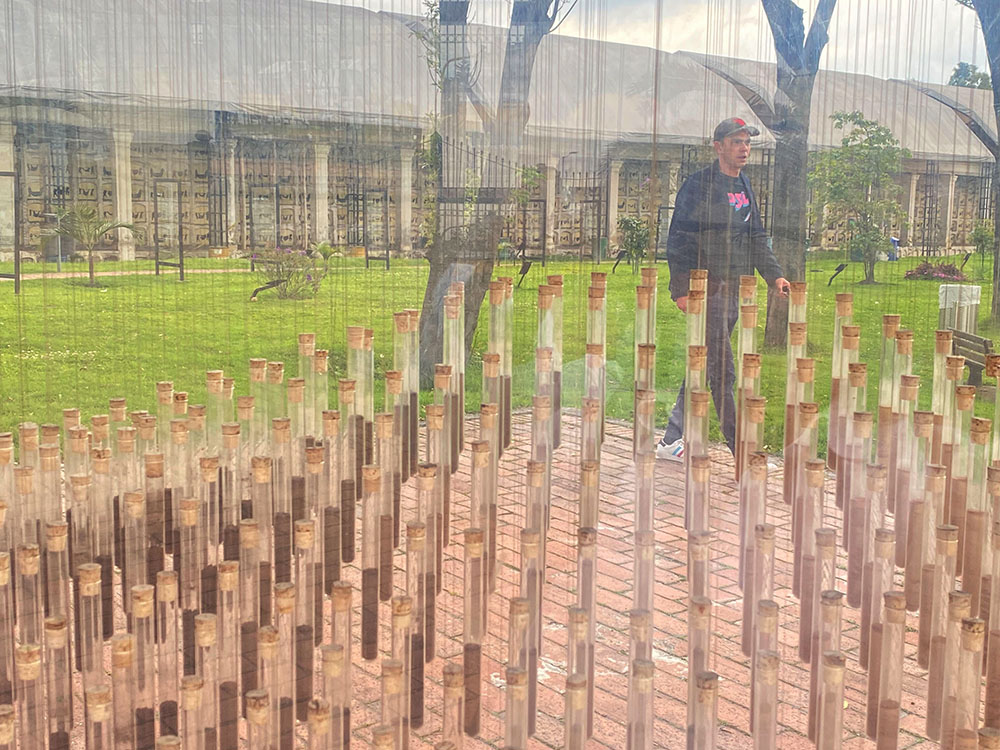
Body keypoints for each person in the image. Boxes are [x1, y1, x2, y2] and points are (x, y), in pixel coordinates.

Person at [657, 117, 790, 461]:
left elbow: (756, 236)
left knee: (704, 362)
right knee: (723, 371)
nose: (744, 148)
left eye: (747, 142)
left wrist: (774, 275)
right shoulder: (698, 185)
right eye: (736, 142)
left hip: (734, 292)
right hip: (707, 290)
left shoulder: (744, 184)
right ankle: (741, 450)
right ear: (718, 147)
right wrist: (681, 290)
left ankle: (670, 440)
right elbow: (679, 239)